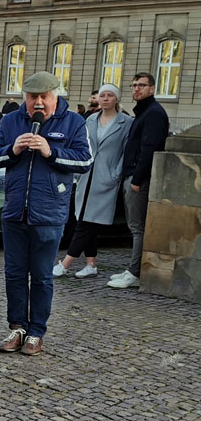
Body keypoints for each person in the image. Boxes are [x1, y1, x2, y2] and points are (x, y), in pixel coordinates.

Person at [0, 72, 92, 356]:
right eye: (33, 97)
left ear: (55, 96)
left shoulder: (73, 122)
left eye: (44, 97)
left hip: (49, 213)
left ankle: (36, 333)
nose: (38, 103)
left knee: (42, 276)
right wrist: (13, 149)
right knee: (14, 274)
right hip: (14, 211)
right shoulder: (11, 120)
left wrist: (50, 151)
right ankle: (17, 328)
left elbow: (85, 161)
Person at [54, 84, 131, 279]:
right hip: (86, 175)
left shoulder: (126, 123)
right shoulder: (90, 120)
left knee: (86, 223)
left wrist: (116, 174)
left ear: (116, 99)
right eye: (102, 95)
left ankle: (65, 264)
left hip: (106, 178)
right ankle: (91, 264)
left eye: (110, 95)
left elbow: (126, 152)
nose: (105, 98)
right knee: (85, 219)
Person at [108, 72, 169, 289]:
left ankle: (135, 272)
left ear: (152, 88)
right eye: (134, 85)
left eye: (141, 85)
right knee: (134, 226)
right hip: (133, 175)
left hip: (138, 178)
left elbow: (149, 149)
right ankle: (133, 269)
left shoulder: (153, 113)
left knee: (137, 227)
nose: (136, 89)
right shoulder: (144, 111)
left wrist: (137, 179)